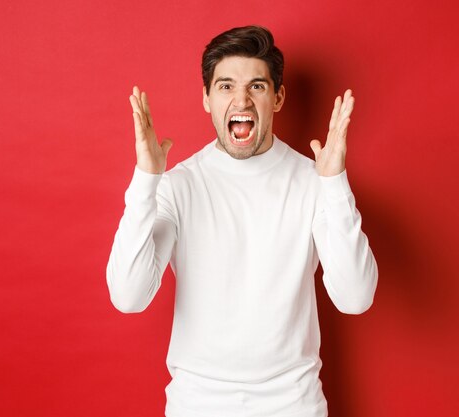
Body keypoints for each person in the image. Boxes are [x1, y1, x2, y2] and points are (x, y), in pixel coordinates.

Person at [107, 25, 378, 417]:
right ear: (206, 99)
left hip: (294, 407)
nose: (241, 100)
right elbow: (129, 296)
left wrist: (334, 183)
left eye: (256, 86)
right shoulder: (177, 185)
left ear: (278, 97)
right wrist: (146, 179)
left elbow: (355, 298)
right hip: (196, 406)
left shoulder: (313, 182)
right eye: (225, 86)